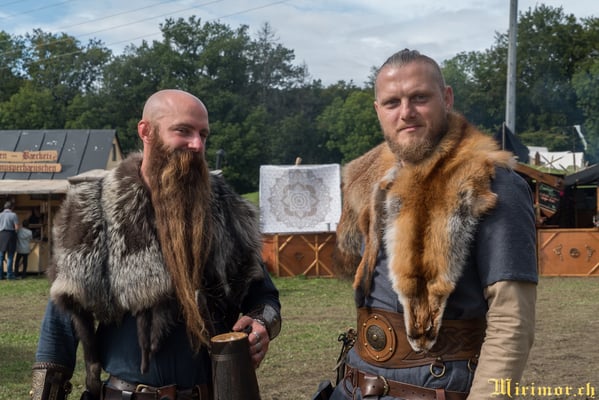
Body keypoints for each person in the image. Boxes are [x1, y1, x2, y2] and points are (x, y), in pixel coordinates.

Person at [31, 89, 282, 400]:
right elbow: (61, 322)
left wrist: (261, 323)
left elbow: (264, 296)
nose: (197, 144)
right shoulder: (95, 210)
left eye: (203, 134)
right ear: (146, 131)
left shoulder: (227, 210)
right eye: (183, 131)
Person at [328, 49, 538, 399]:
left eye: (419, 98)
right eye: (392, 102)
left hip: (436, 386)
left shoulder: (493, 183)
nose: (406, 112)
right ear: (378, 110)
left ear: (447, 98)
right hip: (355, 383)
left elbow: (512, 321)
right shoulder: (369, 178)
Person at [0, 200, 20, 280]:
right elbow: (16, 227)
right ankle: (9, 275)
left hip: (1, 235)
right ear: (11, 207)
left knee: (1, 256)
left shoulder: (0, 215)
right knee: (10, 256)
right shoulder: (13, 215)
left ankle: (0, 275)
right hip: (10, 235)